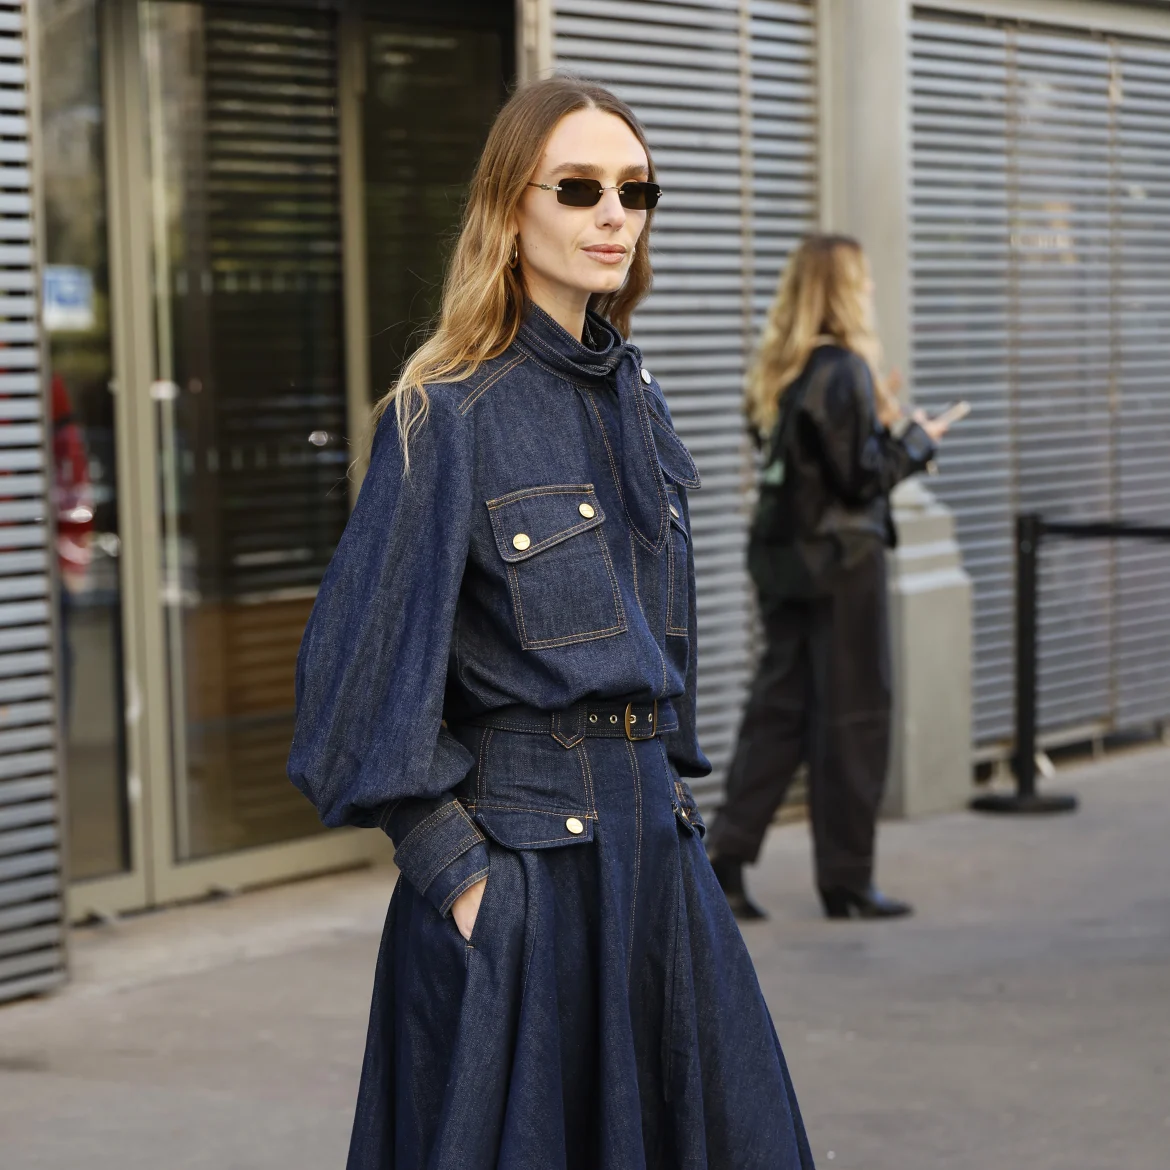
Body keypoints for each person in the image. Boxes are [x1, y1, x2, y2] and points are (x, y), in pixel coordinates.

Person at [288, 77, 814, 1170]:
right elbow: (350, 694)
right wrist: (465, 880)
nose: (613, 214)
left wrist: (671, 818)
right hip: (528, 877)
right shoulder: (448, 413)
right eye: (578, 188)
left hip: (656, 866)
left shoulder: (638, 395)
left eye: (636, 189)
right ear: (509, 209)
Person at [705, 234, 950, 923]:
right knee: (854, 718)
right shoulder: (842, 368)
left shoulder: (778, 369)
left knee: (779, 713)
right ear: (844, 289)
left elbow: (811, 465)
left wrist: (880, 427)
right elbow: (858, 478)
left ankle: (724, 860)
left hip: (783, 564)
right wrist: (915, 443)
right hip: (842, 566)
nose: (870, 291)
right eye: (863, 280)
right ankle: (846, 883)